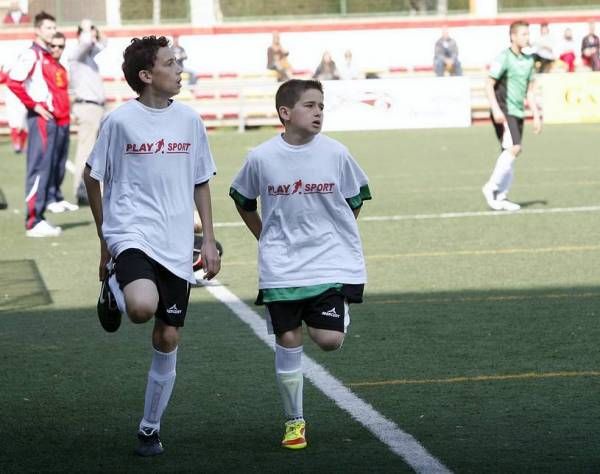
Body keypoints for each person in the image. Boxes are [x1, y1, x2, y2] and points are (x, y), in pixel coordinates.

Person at [83, 35, 220, 457]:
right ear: (147, 75)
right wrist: (106, 236)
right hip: (131, 234)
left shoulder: (190, 121)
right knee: (141, 307)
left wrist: (209, 239)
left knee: (168, 336)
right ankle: (115, 286)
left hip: (176, 243)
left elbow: (201, 180)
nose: (179, 68)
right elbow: (93, 176)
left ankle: (149, 426)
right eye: (170, 62)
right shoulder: (120, 122)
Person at [229, 79, 371, 450]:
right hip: (281, 267)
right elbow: (243, 199)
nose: (318, 112)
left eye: (321, 106)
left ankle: (336, 310)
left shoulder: (336, 153)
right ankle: (295, 422)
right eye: (310, 106)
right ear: (285, 114)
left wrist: (336, 232)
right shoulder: (261, 157)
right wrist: (265, 236)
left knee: (328, 341)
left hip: (328, 263)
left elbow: (357, 196)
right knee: (287, 340)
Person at [7, 11, 63, 237]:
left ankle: (39, 216)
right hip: (39, 119)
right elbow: (14, 82)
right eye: (48, 28)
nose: (52, 32)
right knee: (38, 168)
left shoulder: (46, 54)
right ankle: (33, 220)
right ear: (38, 30)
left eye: (53, 28)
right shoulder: (32, 54)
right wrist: (34, 106)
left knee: (46, 167)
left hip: (49, 118)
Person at [482, 21, 542, 212]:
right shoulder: (504, 57)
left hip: (517, 112)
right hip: (503, 109)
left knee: (509, 153)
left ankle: (501, 196)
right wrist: (495, 109)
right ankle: (490, 188)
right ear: (513, 36)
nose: (527, 37)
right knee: (514, 148)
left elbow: (530, 92)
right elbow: (489, 84)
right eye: (523, 34)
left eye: (527, 34)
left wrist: (537, 115)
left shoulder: (529, 61)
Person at [69, 19, 107, 207]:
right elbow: (86, 42)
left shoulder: (89, 57)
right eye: (88, 32)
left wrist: (95, 29)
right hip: (87, 107)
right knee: (86, 151)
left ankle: (90, 189)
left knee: (96, 152)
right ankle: (81, 190)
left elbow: (103, 43)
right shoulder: (77, 54)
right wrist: (85, 27)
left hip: (97, 107)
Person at [46, 32, 78, 213]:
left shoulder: (61, 68)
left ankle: (57, 196)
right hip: (53, 120)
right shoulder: (44, 66)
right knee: (50, 161)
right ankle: (49, 198)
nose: (57, 49)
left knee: (60, 160)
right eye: (53, 45)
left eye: (61, 46)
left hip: (65, 119)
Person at [0, 64, 27, 153]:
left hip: (23, 99)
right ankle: (16, 144)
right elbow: (1, 78)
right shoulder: (8, 72)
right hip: (12, 100)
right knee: (14, 123)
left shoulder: (25, 71)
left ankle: (22, 145)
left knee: (24, 123)